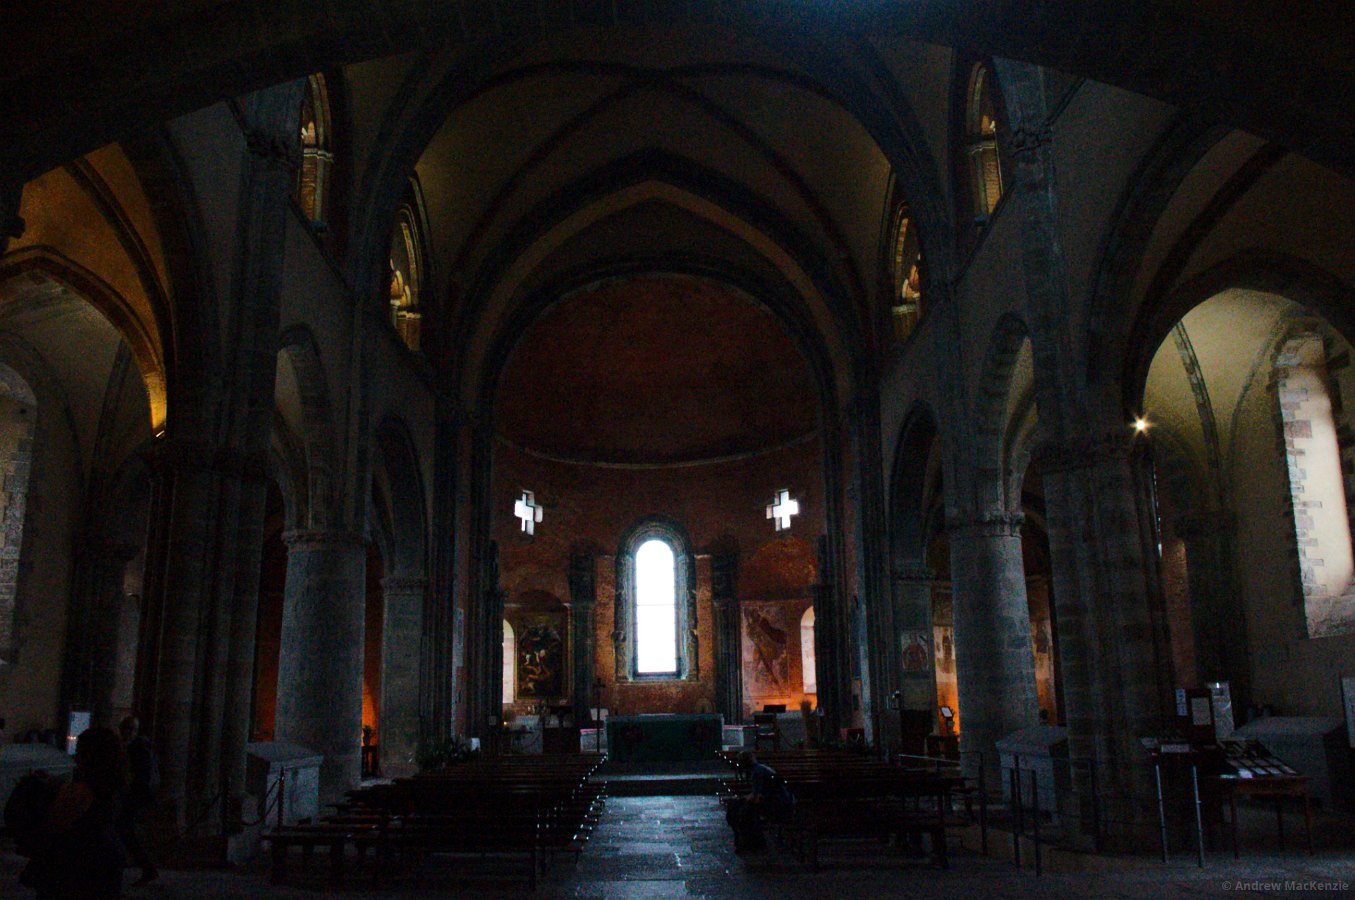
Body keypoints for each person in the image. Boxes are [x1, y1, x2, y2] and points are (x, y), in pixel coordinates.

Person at [23, 726, 128, 897]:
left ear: (89, 755)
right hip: (105, 862)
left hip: (76, 867)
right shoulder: (112, 785)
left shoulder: (83, 790)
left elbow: (53, 825)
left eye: (79, 751)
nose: (76, 756)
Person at [726, 750, 794, 853]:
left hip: (777, 803)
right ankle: (751, 841)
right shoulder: (761, 768)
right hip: (782, 799)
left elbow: (756, 797)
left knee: (745, 812)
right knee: (743, 808)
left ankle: (754, 843)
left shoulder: (756, 773)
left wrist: (743, 799)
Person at [117, 716, 158, 886]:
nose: (124, 733)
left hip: (134, 795)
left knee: (125, 830)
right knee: (125, 831)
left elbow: (136, 775)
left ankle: (146, 866)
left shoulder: (137, 748)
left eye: (127, 729)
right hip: (136, 795)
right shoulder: (141, 747)